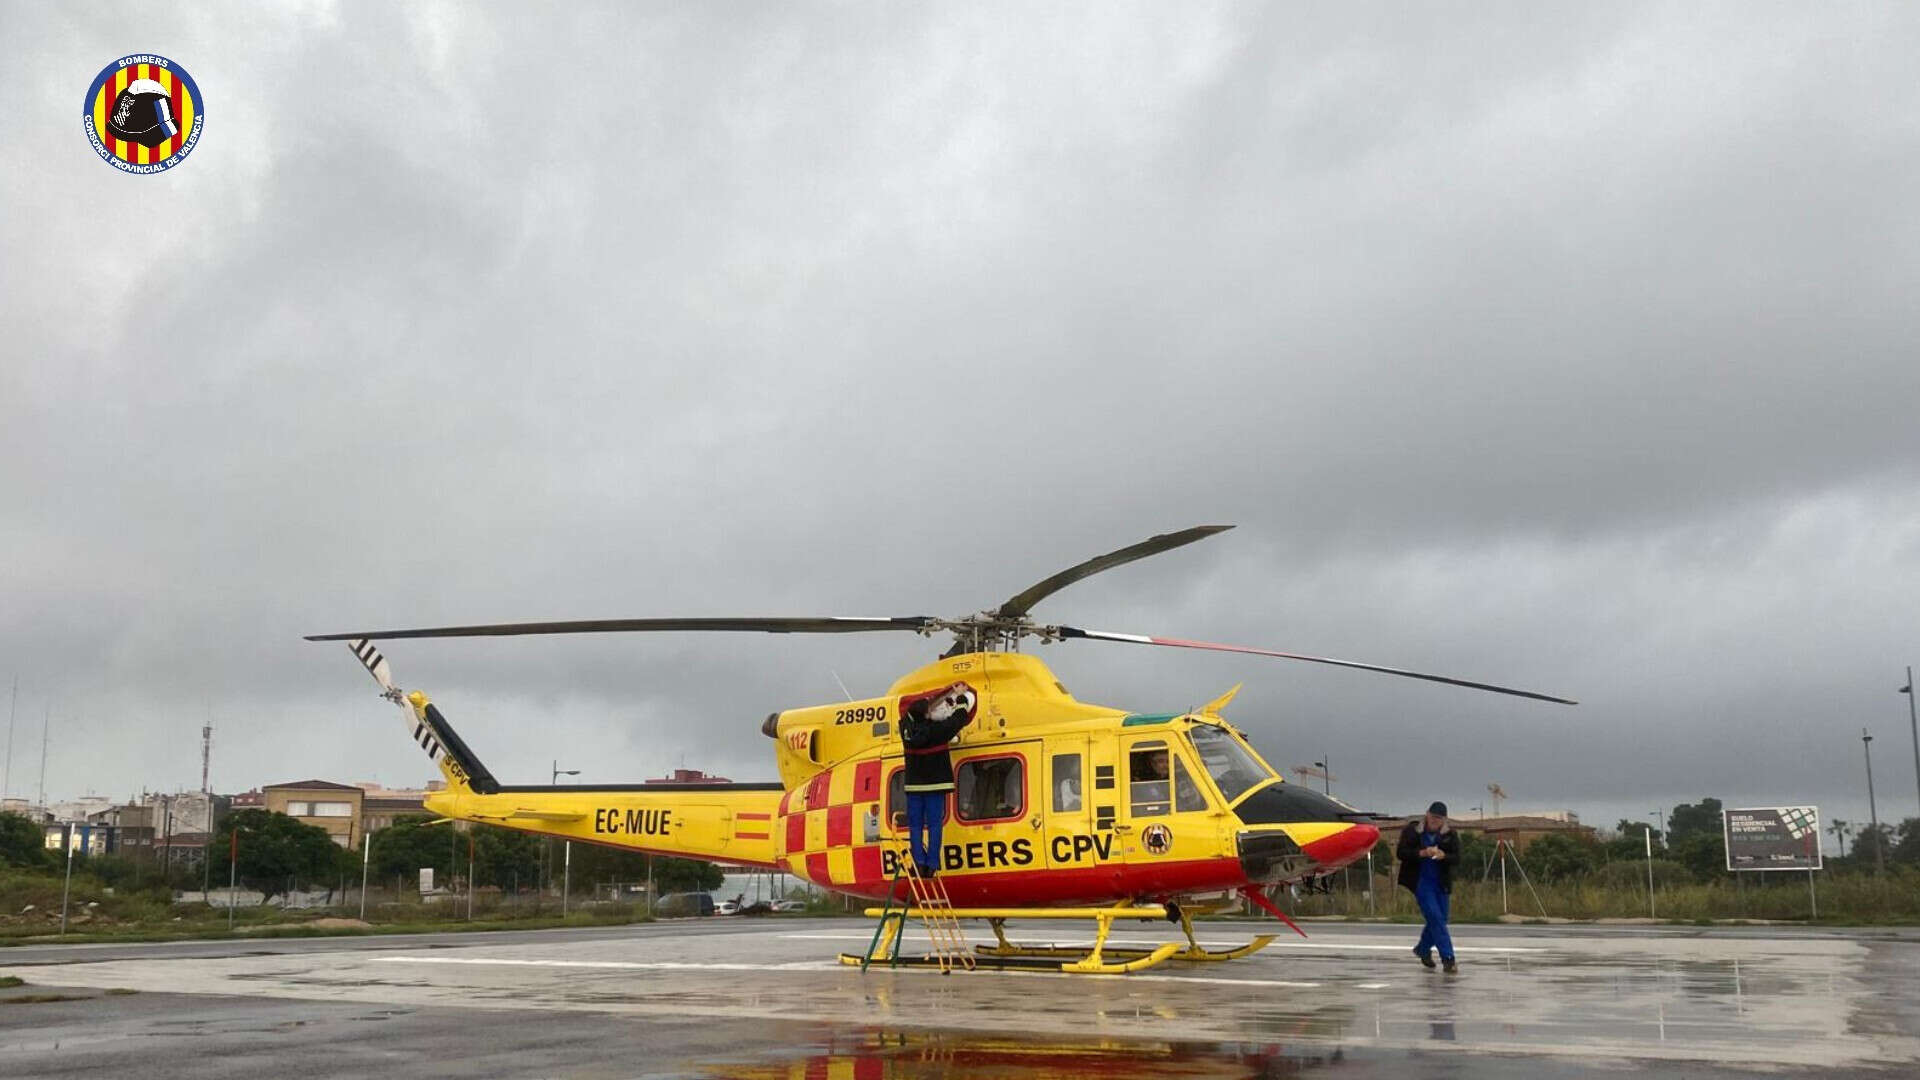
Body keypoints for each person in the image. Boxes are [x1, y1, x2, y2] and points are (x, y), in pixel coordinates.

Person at [898, 682, 978, 877]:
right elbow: (958, 718)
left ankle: (918, 861)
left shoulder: (905, 729)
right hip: (935, 785)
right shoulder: (938, 731)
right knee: (934, 825)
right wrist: (959, 697)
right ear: (926, 715)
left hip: (914, 786)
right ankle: (931, 864)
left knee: (915, 826)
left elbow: (910, 715)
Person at [1397, 800, 1461, 973]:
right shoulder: (1412, 831)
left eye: (1439, 818)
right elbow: (1401, 853)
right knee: (1435, 917)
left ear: (1444, 820)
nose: (1435, 821)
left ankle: (1423, 949)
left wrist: (1443, 855)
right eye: (1433, 816)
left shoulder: (1450, 835)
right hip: (1420, 882)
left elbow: (1457, 858)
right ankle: (1448, 958)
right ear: (1427, 814)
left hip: (1441, 882)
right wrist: (1422, 853)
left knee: (1442, 918)